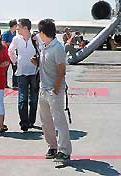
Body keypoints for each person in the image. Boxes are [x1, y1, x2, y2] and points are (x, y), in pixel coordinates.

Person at [36, 19, 72, 162]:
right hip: (43, 89)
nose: (38, 34)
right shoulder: (44, 46)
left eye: (39, 32)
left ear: (44, 33)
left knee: (59, 121)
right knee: (45, 121)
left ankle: (64, 150)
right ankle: (52, 146)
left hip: (53, 91)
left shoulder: (57, 48)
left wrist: (56, 90)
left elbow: (61, 71)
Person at [8, 19, 39, 132]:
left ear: (26, 28)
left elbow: (42, 52)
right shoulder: (16, 39)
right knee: (22, 98)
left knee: (34, 99)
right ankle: (24, 122)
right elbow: (10, 51)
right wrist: (15, 62)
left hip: (34, 73)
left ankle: (31, 120)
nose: (17, 29)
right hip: (21, 72)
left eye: (19, 27)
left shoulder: (35, 39)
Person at [2, 19, 18, 88]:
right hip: (6, 54)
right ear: (14, 25)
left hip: (13, 53)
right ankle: (4, 84)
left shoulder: (15, 33)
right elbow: (3, 43)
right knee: (5, 69)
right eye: (16, 25)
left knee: (15, 68)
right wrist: (12, 44)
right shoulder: (6, 33)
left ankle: (15, 84)